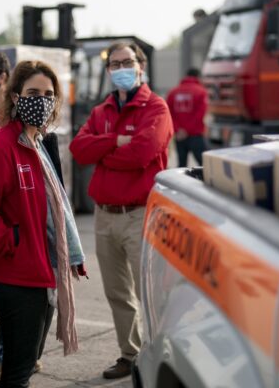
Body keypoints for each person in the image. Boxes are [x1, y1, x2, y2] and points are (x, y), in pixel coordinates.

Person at [0, 60, 87, 388]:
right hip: (16, 276)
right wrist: (12, 241)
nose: (42, 100)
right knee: (17, 374)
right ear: (16, 96)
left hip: (42, 273)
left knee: (26, 366)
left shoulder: (40, 144)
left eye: (49, 94)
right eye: (33, 92)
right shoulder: (1, 146)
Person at [69, 40, 173, 379]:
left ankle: (161, 356)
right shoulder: (102, 112)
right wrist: (114, 141)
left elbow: (142, 153)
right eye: (114, 64)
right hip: (105, 215)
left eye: (126, 62)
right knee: (117, 291)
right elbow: (79, 150)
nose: (120, 69)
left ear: (140, 66)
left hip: (140, 214)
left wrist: (103, 152)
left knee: (149, 292)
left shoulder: (156, 108)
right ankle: (130, 354)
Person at [166, 68, 208, 167]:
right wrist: (187, 130)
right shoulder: (201, 92)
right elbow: (200, 115)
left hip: (179, 135)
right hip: (195, 135)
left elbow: (168, 114)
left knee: (181, 166)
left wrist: (178, 129)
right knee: (205, 166)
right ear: (198, 77)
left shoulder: (172, 92)